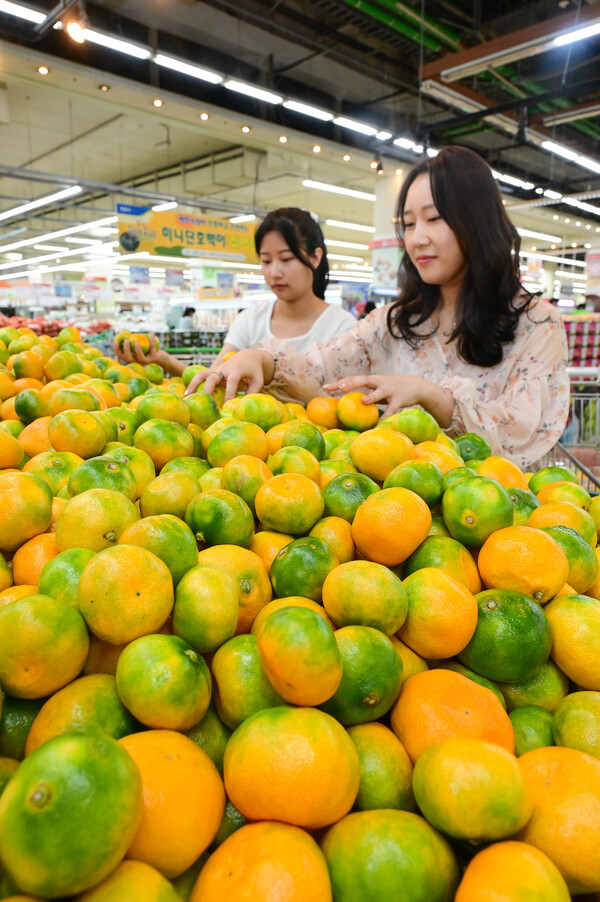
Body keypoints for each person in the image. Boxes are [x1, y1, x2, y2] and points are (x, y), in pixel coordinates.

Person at [188, 146, 570, 469]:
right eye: (408, 223)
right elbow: (322, 371)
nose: (417, 238)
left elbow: (521, 433)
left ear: (478, 220)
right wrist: (264, 360)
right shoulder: (393, 323)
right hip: (389, 515)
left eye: (434, 218)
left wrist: (433, 397)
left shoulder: (537, 324)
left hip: (496, 518)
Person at [115, 207, 355, 375]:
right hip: (246, 435)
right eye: (266, 261)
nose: (274, 272)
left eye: (286, 259)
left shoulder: (342, 328)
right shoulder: (251, 320)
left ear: (315, 257)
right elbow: (215, 376)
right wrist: (163, 359)